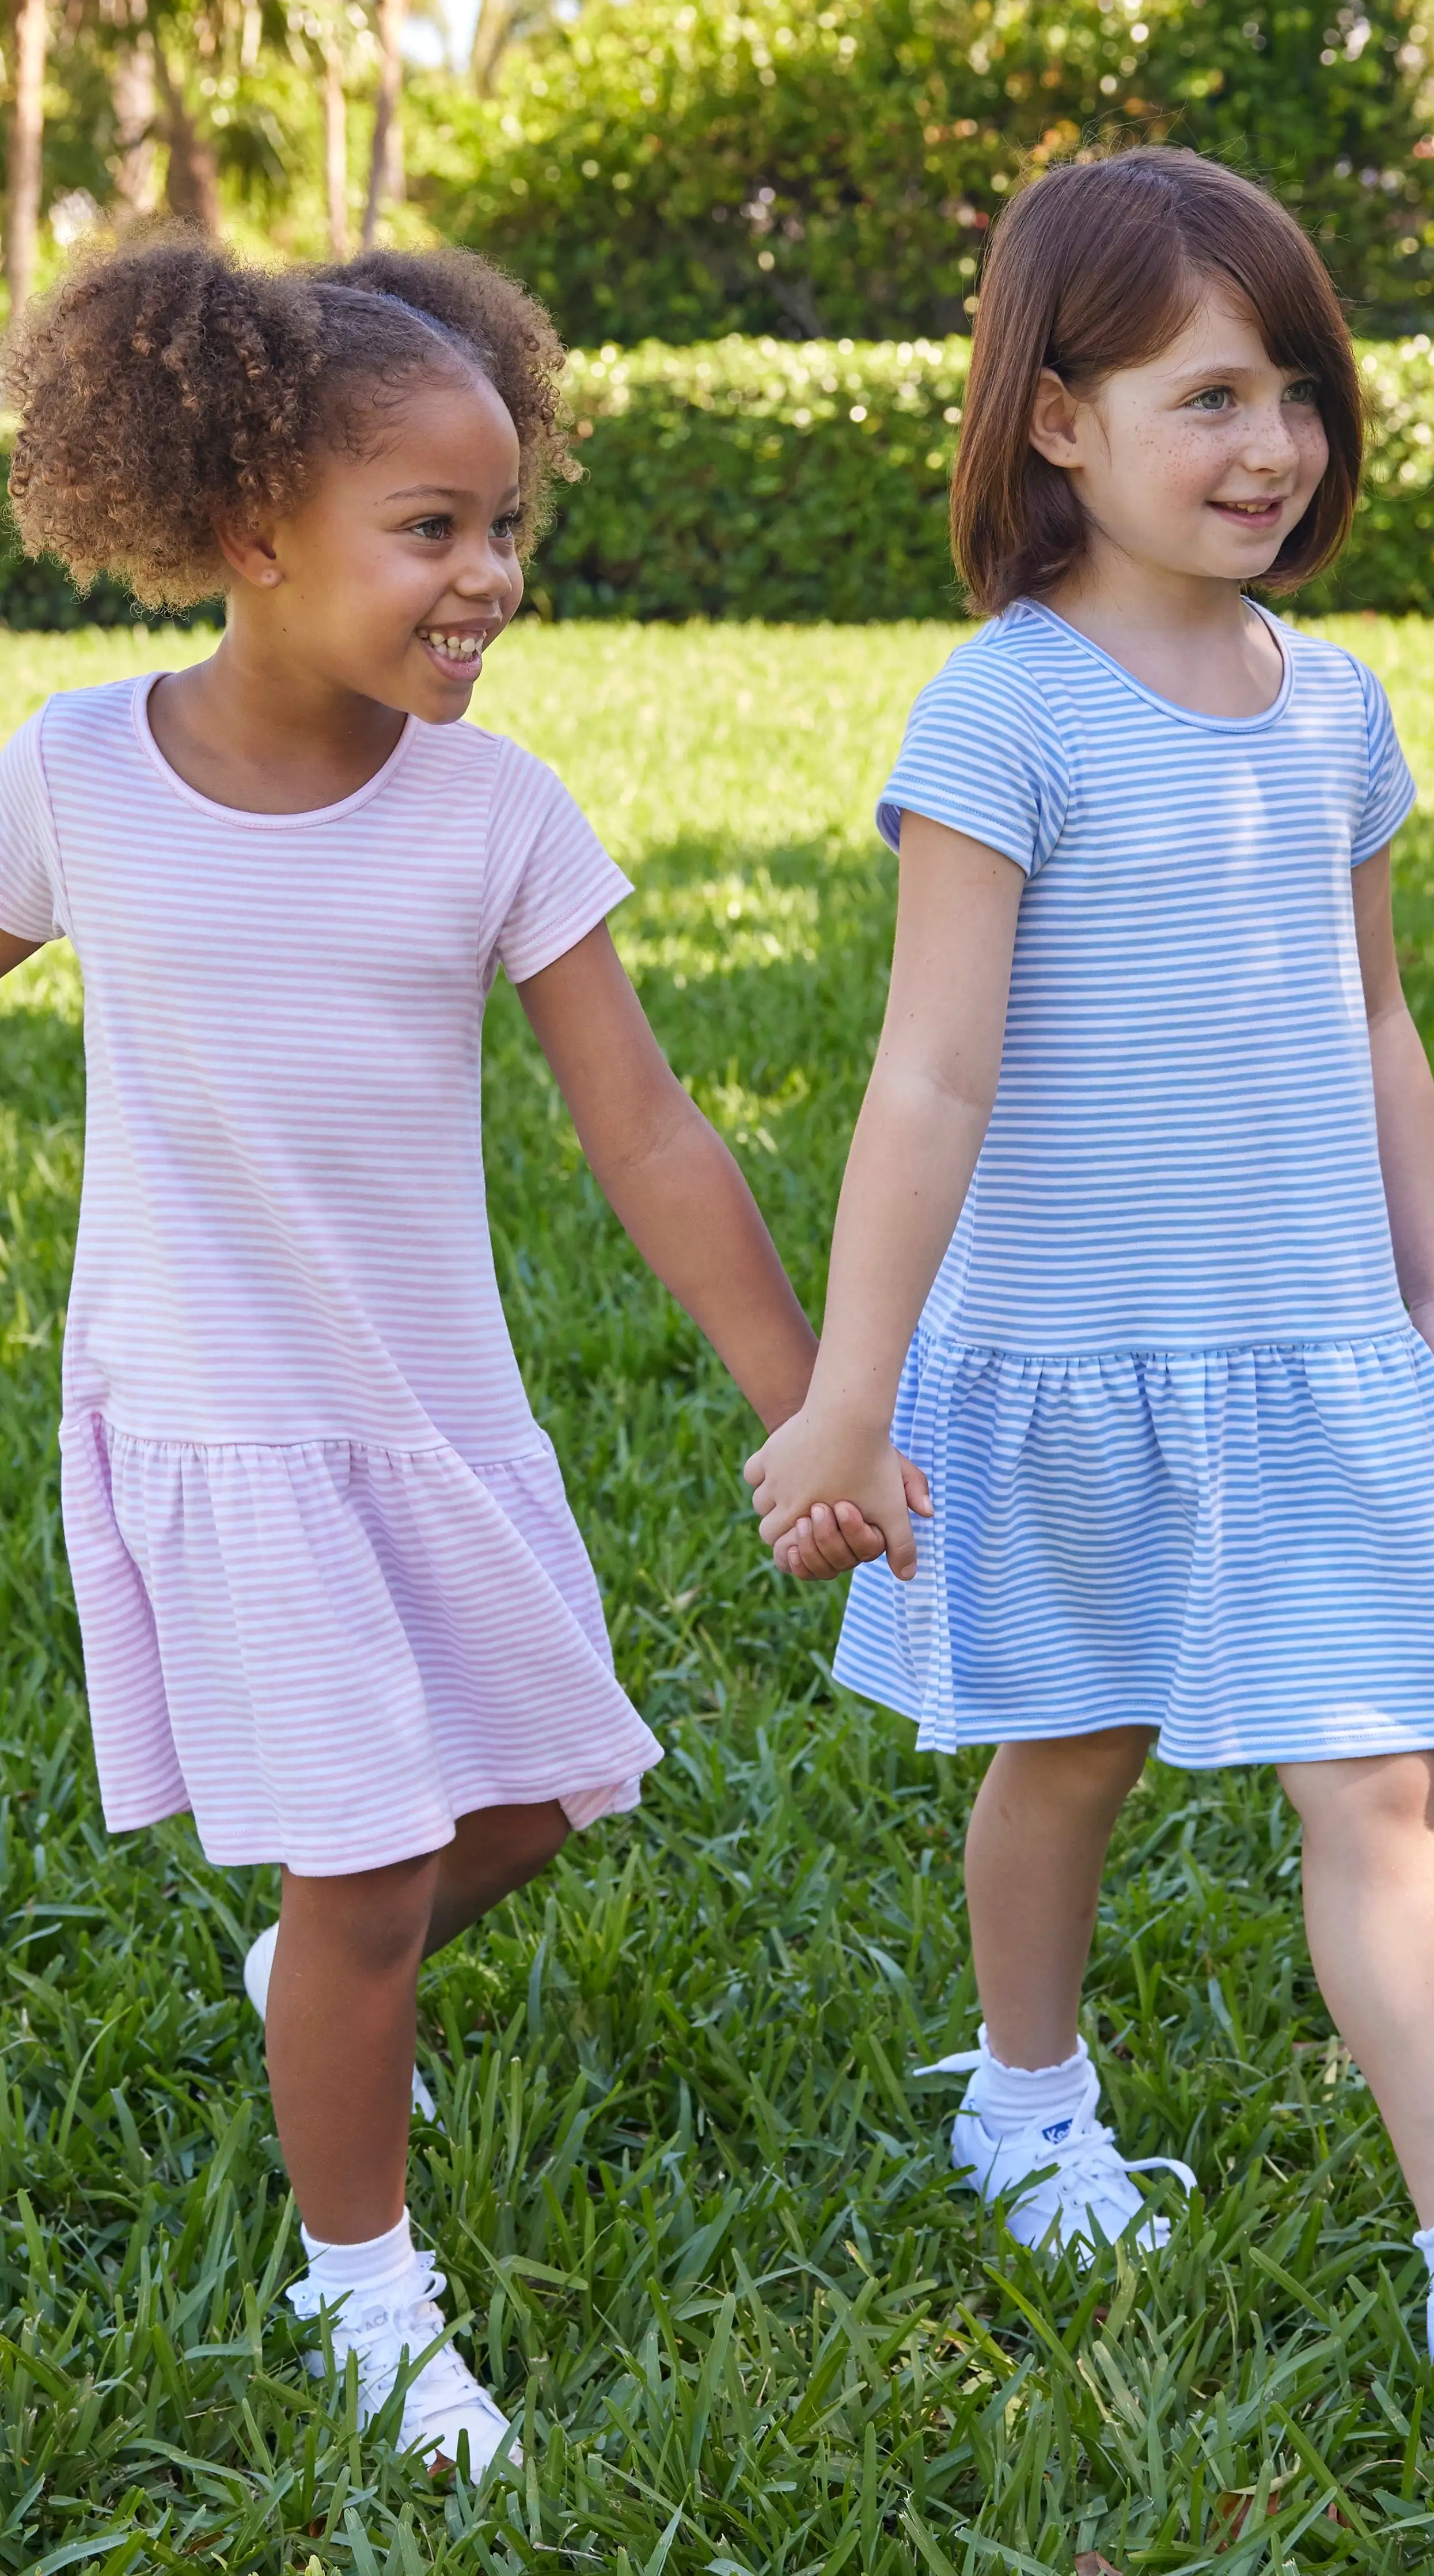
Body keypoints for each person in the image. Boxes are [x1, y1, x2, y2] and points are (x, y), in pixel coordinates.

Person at [745, 146, 1434, 2392]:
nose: (1273, 444)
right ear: (1056, 418)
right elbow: (927, 1079)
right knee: (1068, 1747)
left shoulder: (1331, 708)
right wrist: (853, 1388)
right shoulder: (1004, 711)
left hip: (1316, 1348)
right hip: (1065, 1353)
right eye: (1210, 393)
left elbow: (1381, 1014)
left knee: (1377, 1774)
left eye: (1299, 392)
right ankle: (1027, 2100)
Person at [0, 236, 872, 2474]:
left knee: (548, 1780)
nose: (490, 575)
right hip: (224, 1416)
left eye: (507, 529)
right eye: (433, 530)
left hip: (438, 1414)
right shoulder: (79, 773)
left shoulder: (495, 813)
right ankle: (366, 2289)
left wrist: (807, 1390)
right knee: (374, 1869)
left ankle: (311, 1985)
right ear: (247, 530)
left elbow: (649, 1124)